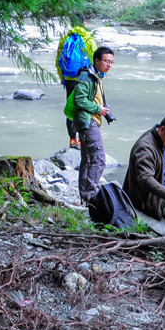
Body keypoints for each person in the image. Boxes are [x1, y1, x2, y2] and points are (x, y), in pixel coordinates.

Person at [67, 46, 115, 206]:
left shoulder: (96, 76)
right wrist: (98, 109)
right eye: (106, 61)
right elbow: (79, 100)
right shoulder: (86, 76)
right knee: (99, 159)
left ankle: (86, 198)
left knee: (88, 160)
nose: (109, 65)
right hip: (88, 121)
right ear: (97, 61)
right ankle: (91, 196)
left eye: (111, 62)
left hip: (90, 121)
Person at [56, 17, 96, 148]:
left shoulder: (65, 39)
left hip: (69, 78)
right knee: (84, 107)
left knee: (71, 107)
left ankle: (72, 139)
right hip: (85, 79)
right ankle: (82, 138)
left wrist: (62, 77)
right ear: (84, 24)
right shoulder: (88, 39)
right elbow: (95, 59)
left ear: (72, 24)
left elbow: (58, 60)